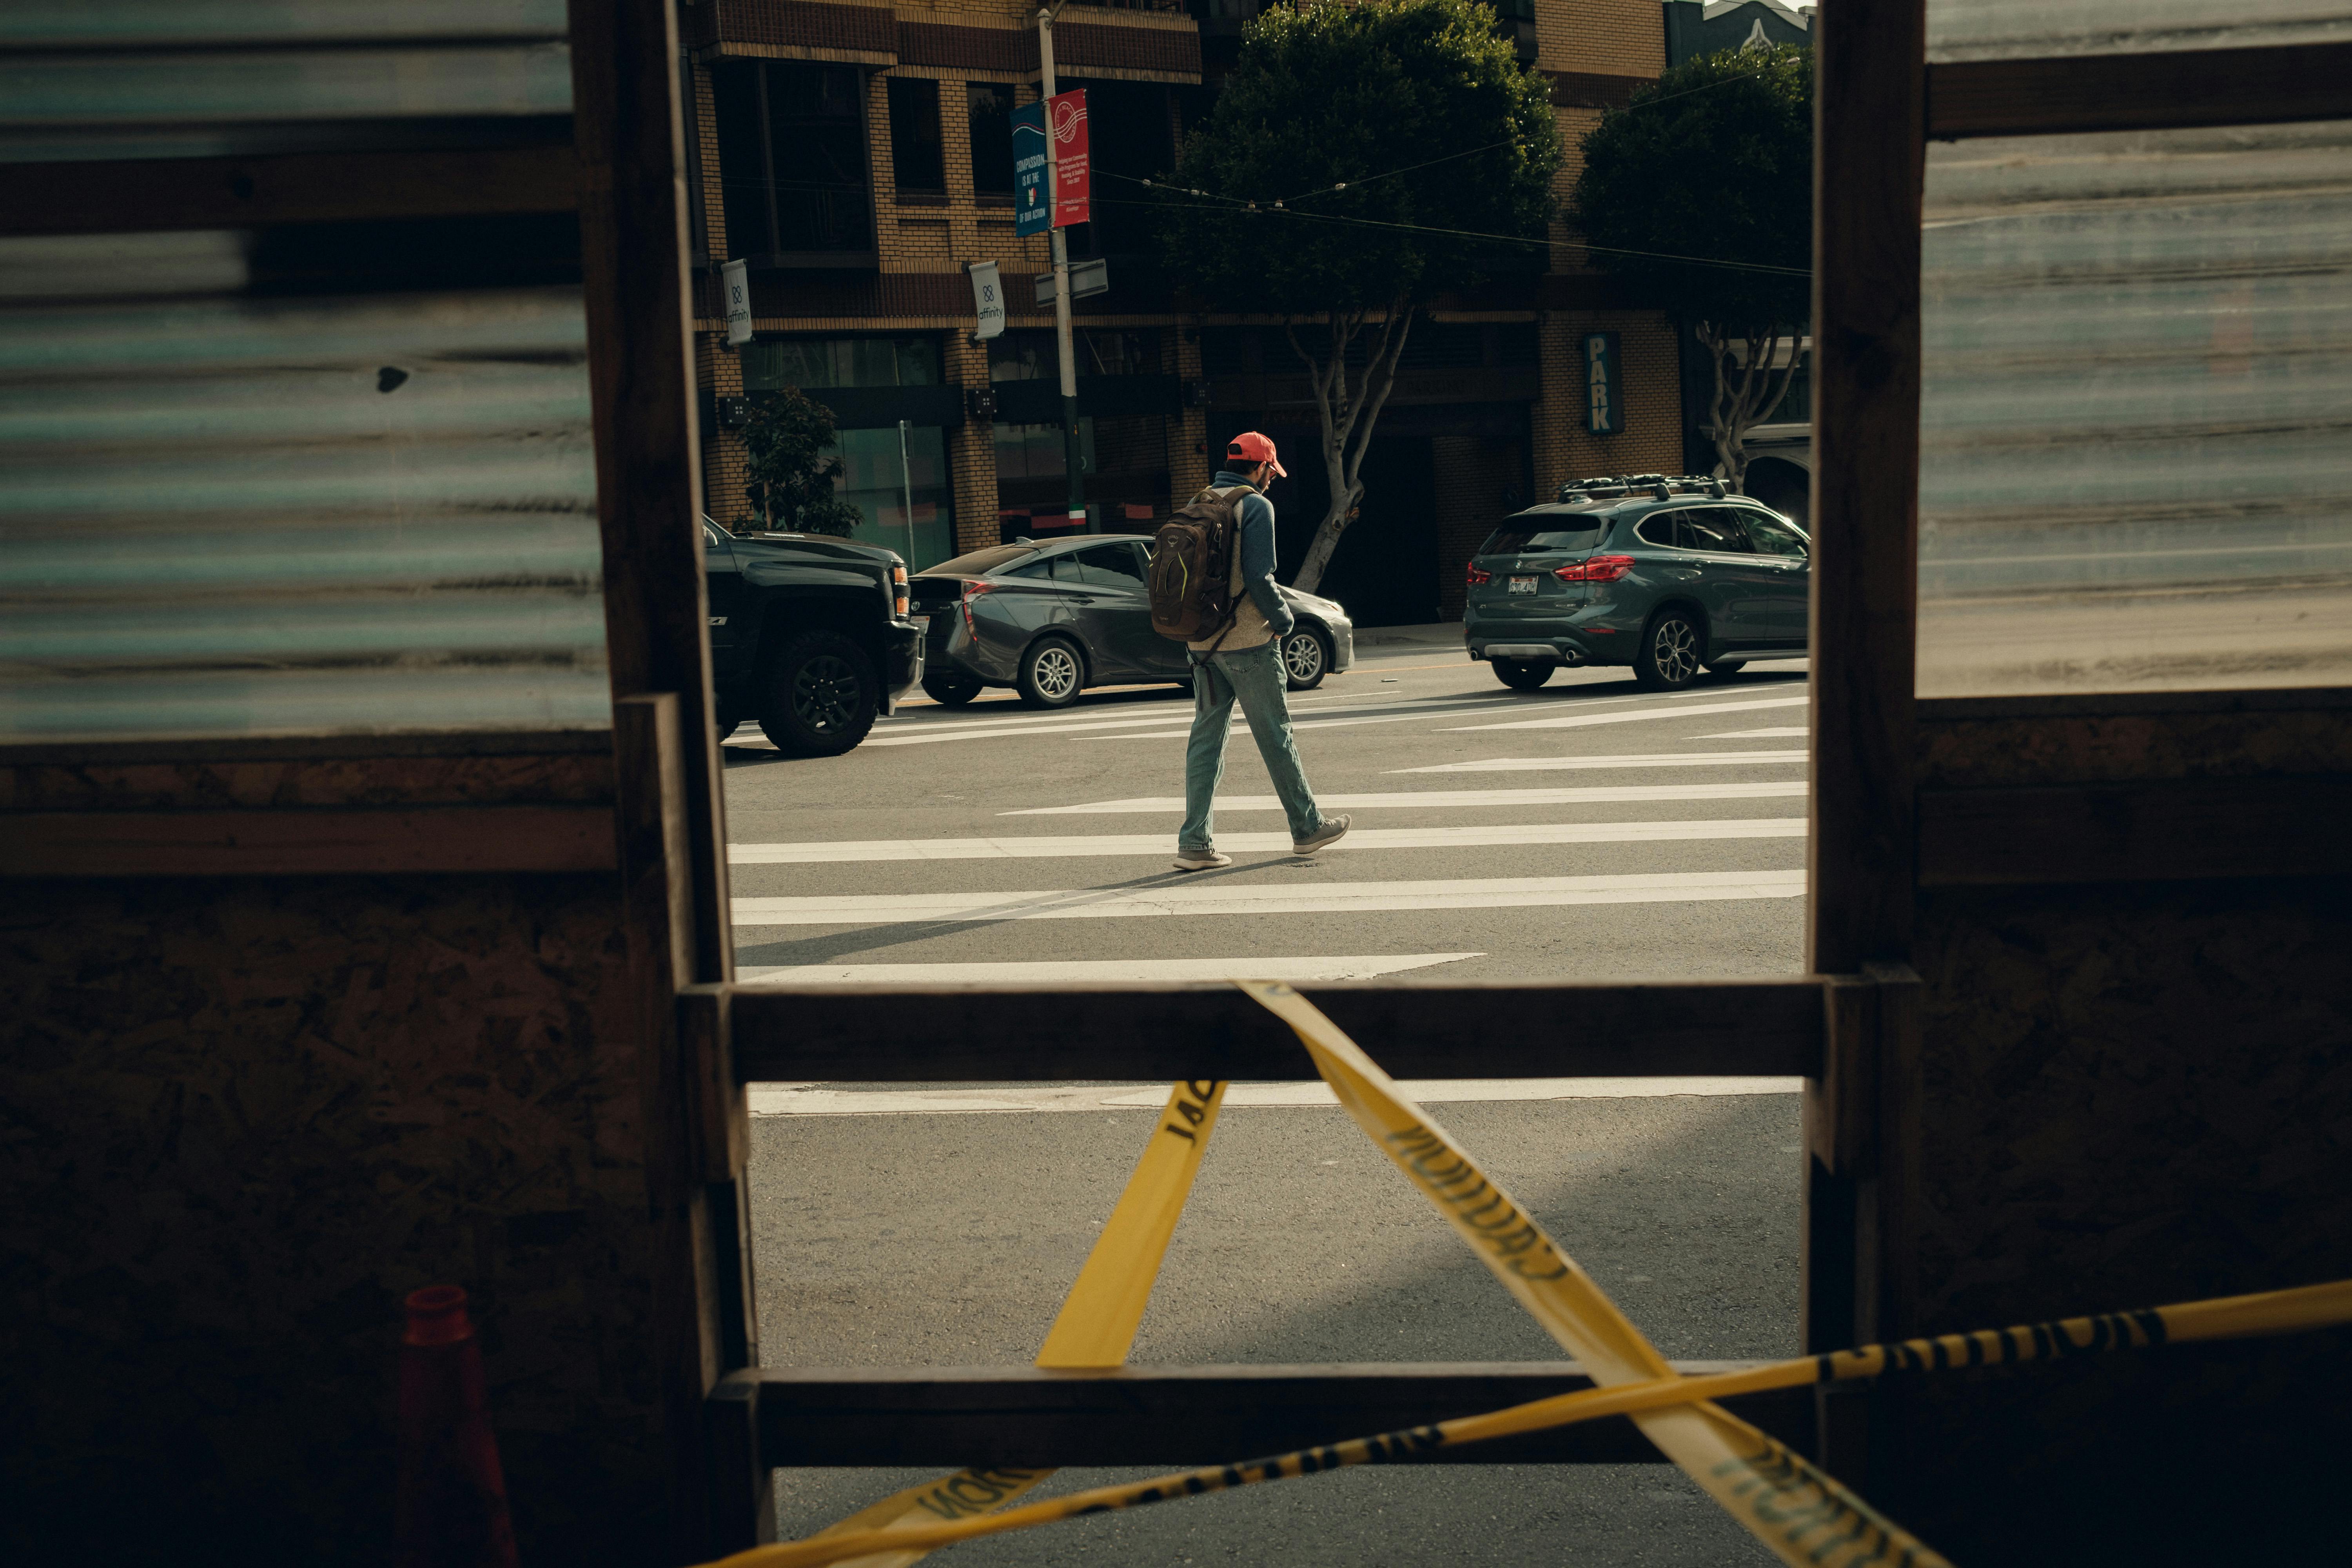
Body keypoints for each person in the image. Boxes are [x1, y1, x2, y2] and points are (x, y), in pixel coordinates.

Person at [1173, 432, 1350, 871]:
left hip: (1202, 644)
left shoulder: (1199, 501)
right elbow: (1259, 576)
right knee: (1275, 734)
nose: (1272, 480)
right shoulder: (1255, 506)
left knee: (1206, 741)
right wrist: (1285, 622)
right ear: (1259, 467)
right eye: (1271, 471)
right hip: (1249, 643)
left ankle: (1194, 842)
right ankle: (1307, 828)